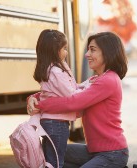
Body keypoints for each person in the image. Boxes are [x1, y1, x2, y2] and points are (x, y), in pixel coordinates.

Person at [27, 32, 129, 168]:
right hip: (94, 151)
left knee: (55, 156)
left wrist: (40, 105)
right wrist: (34, 97)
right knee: (49, 154)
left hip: (113, 154)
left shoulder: (108, 80)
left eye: (92, 50)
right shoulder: (95, 79)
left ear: (107, 52)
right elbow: (66, 90)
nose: (87, 55)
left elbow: (72, 102)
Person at [30, 29, 89, 168]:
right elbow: (71, 95)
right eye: (64, 48)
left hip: (51, 122)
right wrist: (90, 89)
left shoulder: (50, 69)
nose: (67, 52)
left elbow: (72, 87)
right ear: (54, 50)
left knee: (50, 161)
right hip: (57, 123)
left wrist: (87, 84)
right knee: (56, 162)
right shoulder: (56, 71)